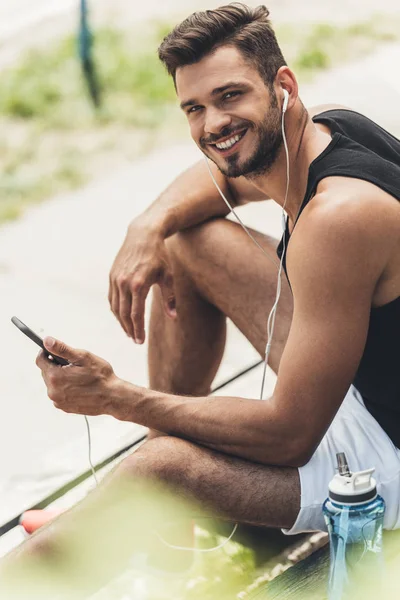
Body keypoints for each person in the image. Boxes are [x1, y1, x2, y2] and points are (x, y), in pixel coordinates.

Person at [2, 1, 400, 589]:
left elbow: (289, 434)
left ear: (283, 86)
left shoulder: (339, 218)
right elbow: (219, 182)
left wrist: (116, 397)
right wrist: (148, 225)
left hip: (381, 460)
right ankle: (169, 533)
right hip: (361, 381)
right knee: (188, 242)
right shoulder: (331, 127)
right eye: (195, 108)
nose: (213, 123)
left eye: (231, 96)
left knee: (159, 466)